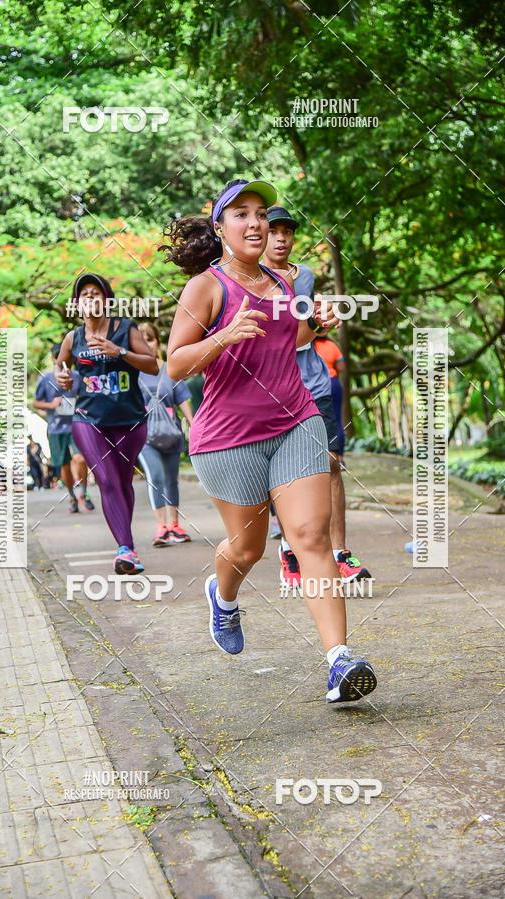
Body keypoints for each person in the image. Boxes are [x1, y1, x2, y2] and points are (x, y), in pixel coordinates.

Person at [163, 178, 376, 704]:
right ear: (221, 228)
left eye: (261, 213)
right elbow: (174, 364)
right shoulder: (207, 288)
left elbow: (289, 339)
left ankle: (339, 662)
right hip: (227, 438)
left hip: (295, 421)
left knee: (310, 536)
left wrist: (316, 323)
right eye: (242, 214)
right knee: (249, 548)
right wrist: (222, 336)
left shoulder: (284, 284)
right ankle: (224, 595)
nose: (256, 223)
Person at [263, 206, 371, 586]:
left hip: (313, 382)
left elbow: (303, 328)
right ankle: (291, 546)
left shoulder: (304, 276)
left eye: (287, 232)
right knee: (280, 471)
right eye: (273, 231)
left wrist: (320, 318)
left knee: (331, 464)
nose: (281, 238)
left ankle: (340, 553)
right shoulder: (245, 279)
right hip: (271, 386)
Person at [54, 273, 158, 575]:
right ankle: (126, 549)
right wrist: (62, 377)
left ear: (106, 300)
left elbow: (151, 363)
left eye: (95, 293)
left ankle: (128, 546)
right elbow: (61, 369)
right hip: (88, 420)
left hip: (130, 420)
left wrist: (119, 352)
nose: (90, 298)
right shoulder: (72, 338)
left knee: (122, 482)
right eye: (84, 294)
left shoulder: (126, 329)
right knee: (107, 480)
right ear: (77, 304)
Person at [137, 322, 194, 546]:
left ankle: (174, 525)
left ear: (157, 342)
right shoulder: (132, 374)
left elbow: (183, 400)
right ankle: (161, 526)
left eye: (149, 339)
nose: (146, 344)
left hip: (172, 433)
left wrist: (194, 425)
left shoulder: (171, 369)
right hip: (145, 437)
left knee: (172, 480)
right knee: (156, 477)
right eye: (141, 340)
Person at [33, 343, 95, 514]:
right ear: (53, 358)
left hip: (76, 424)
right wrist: (51, 404)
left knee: (81, 459)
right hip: (55, 429)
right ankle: (72, 497)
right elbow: (35, 402)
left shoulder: (78, 376)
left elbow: (88, 398)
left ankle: (83, 493)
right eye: (58, 356)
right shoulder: (45, 379)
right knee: (64, 465)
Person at [313, 335, 346, 458]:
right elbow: (341, 367)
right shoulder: (332, 345)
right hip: (333, 383)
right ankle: (340, 458)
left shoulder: (310, 346)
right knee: (337, 420)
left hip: (316, 383)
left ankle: (321, 456)